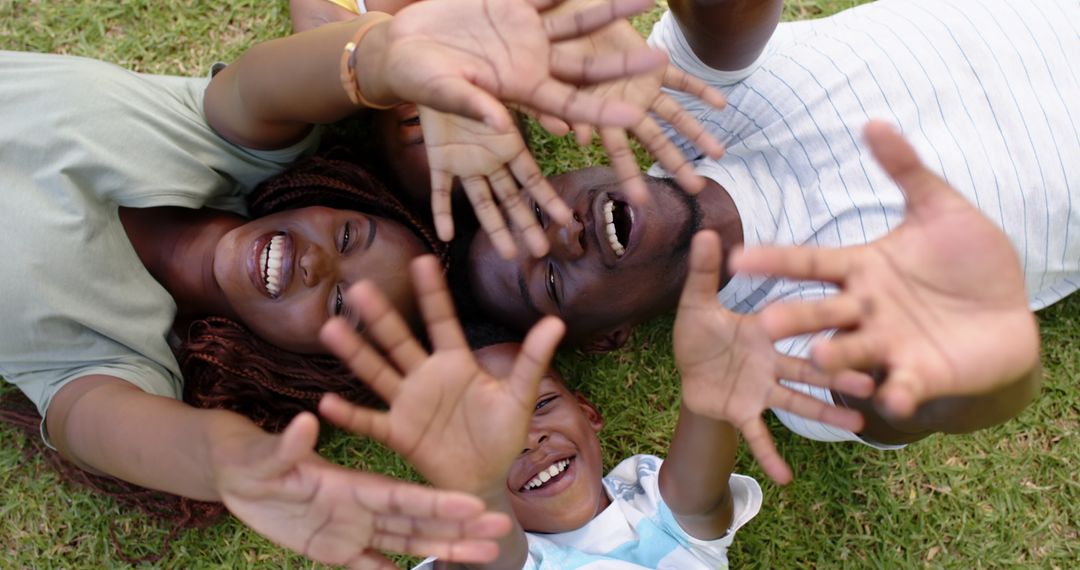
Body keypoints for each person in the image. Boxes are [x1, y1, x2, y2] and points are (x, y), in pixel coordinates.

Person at [0, 0, 679, 564]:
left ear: (296, 357)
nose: (318, 263)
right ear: (328, 195)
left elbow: (124, 431)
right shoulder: (222, 141)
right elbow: (291, 77)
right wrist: (391, 53)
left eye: (338, 305)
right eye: (350, 236)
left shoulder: (109, 363)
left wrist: (236, 469)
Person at [464, 0, 1080, 483]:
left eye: (533, 209)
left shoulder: (672, 102)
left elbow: (726, 16)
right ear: (608, 336)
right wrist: (975, 364)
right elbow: (912, 394)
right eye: (547, 279)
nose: (564, 231)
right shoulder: (786, 351)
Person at [318, 252, 855, 568]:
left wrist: (708, 389)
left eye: (541, 405)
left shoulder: (654, 512)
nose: (523, 440)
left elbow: (697, 498)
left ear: (588, 412)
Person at [290, 0, 731, 260]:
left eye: (415, 123)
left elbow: (323, 55)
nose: (444, 100)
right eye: (477, 111)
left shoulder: (337, 31)